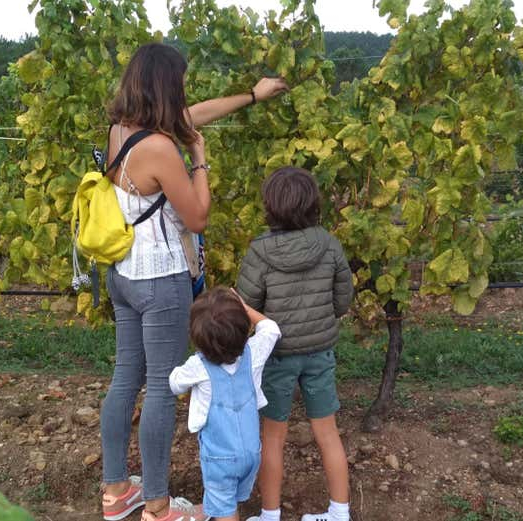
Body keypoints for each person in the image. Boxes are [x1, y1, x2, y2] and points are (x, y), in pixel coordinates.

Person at [99, 42, 288, 521]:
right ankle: (159, 506)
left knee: (126, 377)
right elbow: (198, 216)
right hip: (160, 280)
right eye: (179, 81)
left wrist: (252, 95)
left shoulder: (123, 129)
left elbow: (193, 113)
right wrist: (199, 157)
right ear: (166, 85)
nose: (185, 89)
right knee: (163, 387)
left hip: (122, 273)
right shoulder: (163, 148)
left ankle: (117, 490)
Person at [236, 167, 355, 521]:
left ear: (270, 206)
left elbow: (248, 305)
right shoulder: (329, 244)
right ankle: (339, 513)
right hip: (320, 353)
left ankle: (270, 515)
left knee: (273, 437)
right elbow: (343, 300)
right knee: (327, 432)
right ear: (313, 204)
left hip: (276, 357)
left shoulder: (260, 251)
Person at [169, 287, 281, 521]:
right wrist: (245, 306)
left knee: (225, 509)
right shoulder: (254, 353)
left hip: (219, 459)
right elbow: (271, 328)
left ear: (196, 337)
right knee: (229, 502)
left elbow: (175, 383)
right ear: (244, 328)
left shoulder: (198, 366)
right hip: (251, 452)